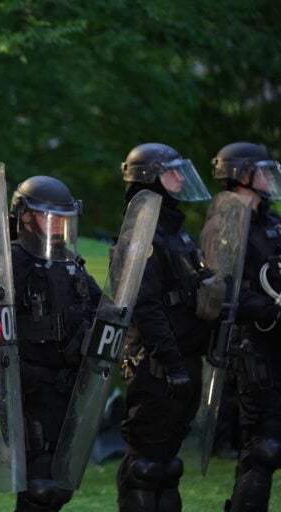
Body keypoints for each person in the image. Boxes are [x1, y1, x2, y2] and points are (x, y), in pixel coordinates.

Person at [116, 142, 214, 512]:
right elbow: (146, 308)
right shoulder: (142, 235)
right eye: (170, 171)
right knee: (145, 466)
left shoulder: (175, 231)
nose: (179, 178)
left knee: (168, 466)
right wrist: (171, 363)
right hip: (156, 366)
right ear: (149, 178)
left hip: (184, 361)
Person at [9, 175, 103, 511]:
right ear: (27, 216)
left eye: (65, 217)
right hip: (32, 392)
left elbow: (101, 306)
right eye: (52, 216)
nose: (60, 224)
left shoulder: (70, 262)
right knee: (41, 488)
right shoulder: (10, 262)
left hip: (69, 389)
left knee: (59, 486)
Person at [211, 142, 281, 512]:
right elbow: (221, 292)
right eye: (264, 171)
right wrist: (269, 309)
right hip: (252, 349)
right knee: (263, 449)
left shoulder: (273, 223)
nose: (270, 178)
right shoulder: (224, 226)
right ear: (242, 176)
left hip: (277, 345)